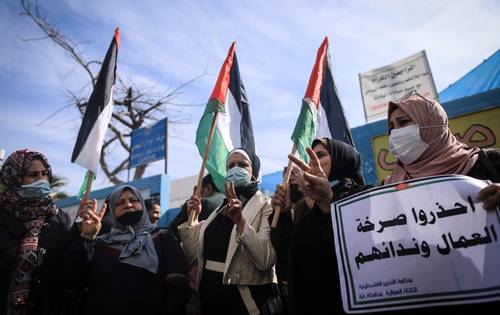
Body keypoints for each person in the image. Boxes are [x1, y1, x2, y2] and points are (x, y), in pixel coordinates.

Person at [178, 148, 282, 315]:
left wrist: (240, 221)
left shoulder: (266, 206)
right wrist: (193, 218)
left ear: (254, 172)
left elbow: (265, 260)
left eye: (242, 164)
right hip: (211, 301)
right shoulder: (220, 208)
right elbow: (193, 255)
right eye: (231, 165)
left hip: (245, 303)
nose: (235, 169)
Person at [271, 139, 367, 315]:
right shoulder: (305, 210)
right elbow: (288, 255)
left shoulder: (364, 199)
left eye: (321, 155)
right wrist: (284, 216)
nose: (312, 163)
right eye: (310, 159)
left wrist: (327, 202)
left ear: (342, 159)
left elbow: (354, 252)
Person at [69, 185, 191, 315]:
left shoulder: (162, 237)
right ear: (112, 211)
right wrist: (86, 238)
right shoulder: (100, 243)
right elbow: (75, 280)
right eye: (120, 203)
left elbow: (178, 283)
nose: (128, 205)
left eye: (133, 200)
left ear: (142, 205)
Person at [385, 92, 500, 208]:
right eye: (391, 128)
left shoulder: (491, 163)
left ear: (433, 123)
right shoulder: (388, 187)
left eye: (403, 122)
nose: (395, 133)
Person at [0, 149, 75, 315]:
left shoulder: (58, 218)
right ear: (14, 178)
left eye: (45, 173)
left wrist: (84, 238)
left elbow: (69, 272)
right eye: (33, 175)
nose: (42, 180)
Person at [169, 174, 225, 241]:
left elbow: (172, 230)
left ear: (208, 189)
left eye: (199, 190)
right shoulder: (228, 202)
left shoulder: (200, 204)